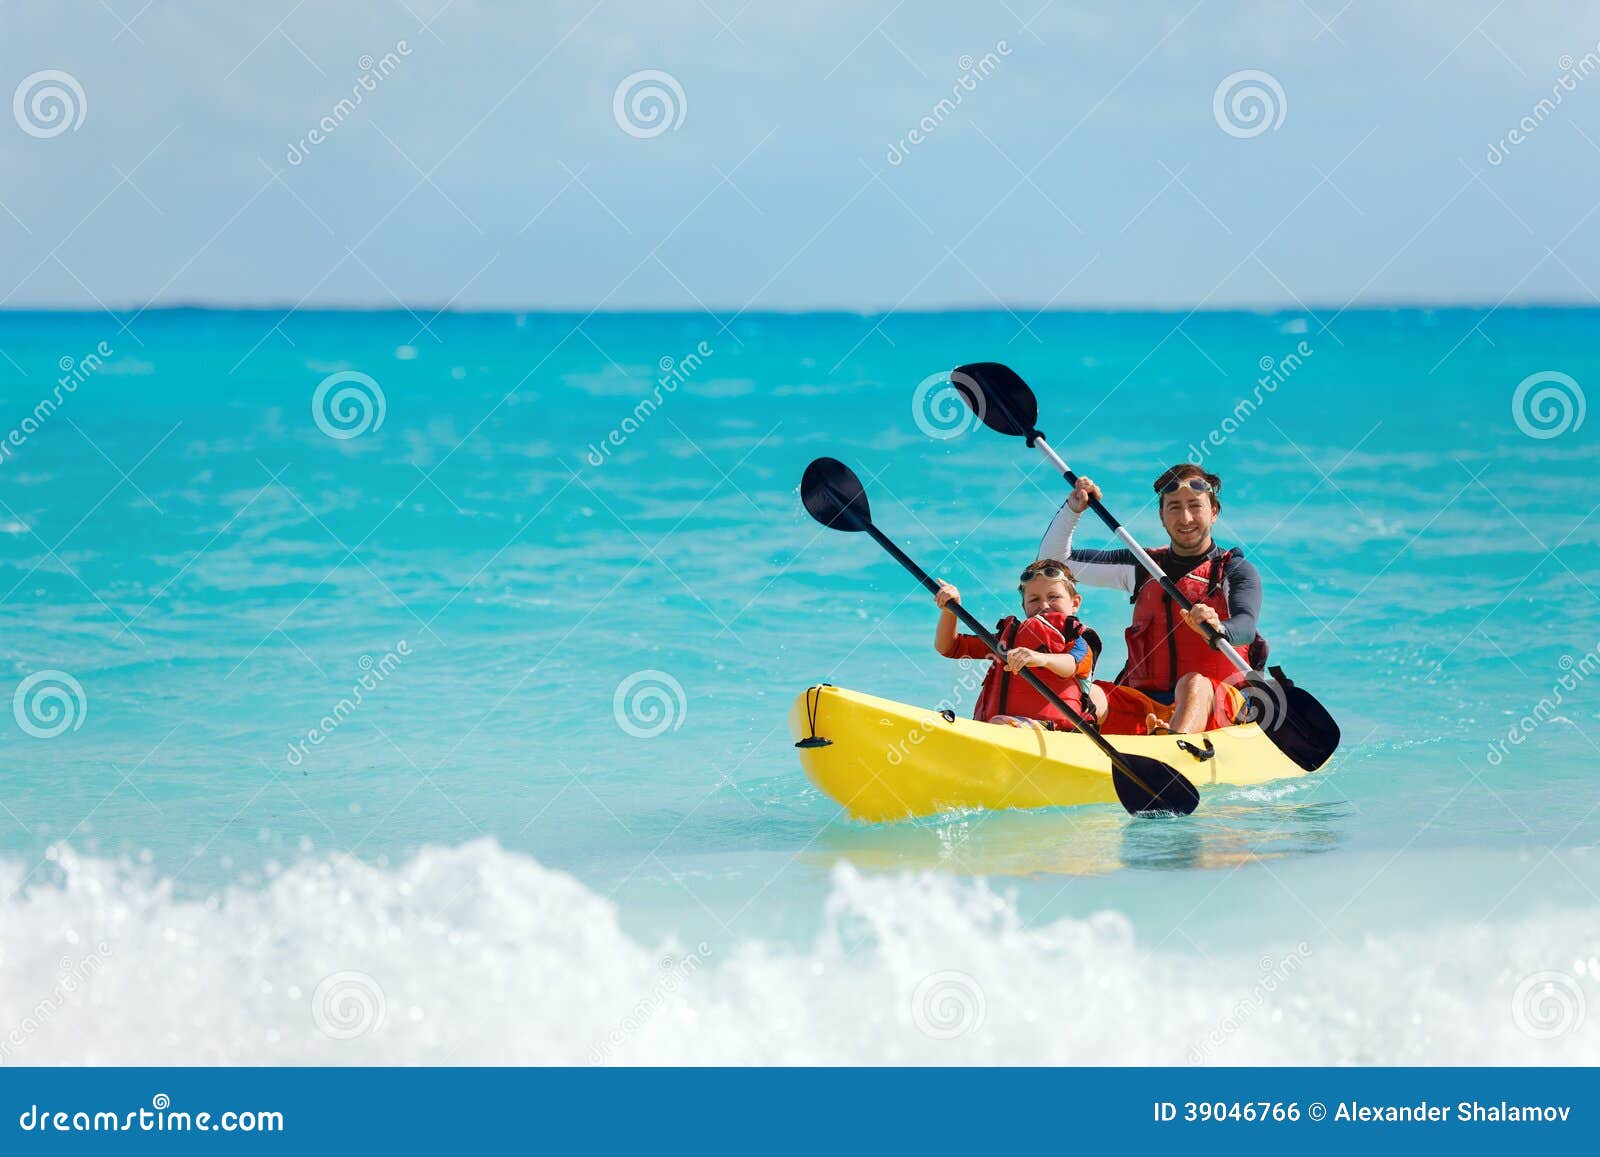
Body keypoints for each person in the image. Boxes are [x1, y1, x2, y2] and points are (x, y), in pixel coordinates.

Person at [1039, 464, 1264, 736]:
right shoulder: (1143, 566)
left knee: (1193, 683)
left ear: (1214, 512)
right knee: (1088, 692)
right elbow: (1054, 563)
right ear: (1161, 515)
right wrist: (1073, 509)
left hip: (1220, 706)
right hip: (1148, 704)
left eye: (1195, 506)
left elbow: (1246, 625)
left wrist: (1220, 629)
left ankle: (1173, 749)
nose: (1185, 518)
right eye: (1174, 507)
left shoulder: (1233, 570)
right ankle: (1053, 738)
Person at [932, 560, 1108, 730]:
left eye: (1054, 597)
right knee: (996, 723)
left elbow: (1071, 664)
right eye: (1034, 600)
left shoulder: (1078, 639)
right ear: (1023, 606)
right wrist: (950, 611)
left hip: (1056, 733)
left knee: (1000, 724)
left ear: (1075, 603)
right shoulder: (1007, 641)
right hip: (998, 727)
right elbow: (949, 647)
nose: (1044, 605)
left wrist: (1041, 658)